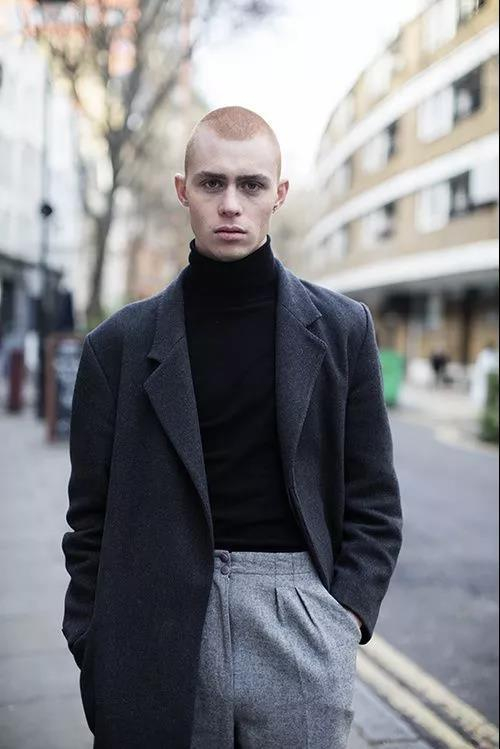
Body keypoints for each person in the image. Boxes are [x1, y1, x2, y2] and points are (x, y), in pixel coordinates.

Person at [61, 106, 403, 749]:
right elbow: (89, 520)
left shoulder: (343, 329)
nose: (230, 204)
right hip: (154, 621)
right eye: (212, 183)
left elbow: (375, 499)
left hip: (299, 620)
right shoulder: (117, 346)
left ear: (279, 194)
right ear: (183, 190)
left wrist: (345, 617)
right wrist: (93, 638)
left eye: (251, 185)